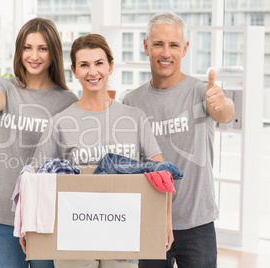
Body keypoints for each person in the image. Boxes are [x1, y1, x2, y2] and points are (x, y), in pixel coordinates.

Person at [31, 33, 173, 268]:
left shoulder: (134, 118)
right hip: (73, 235)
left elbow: (163, 176)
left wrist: (166, 219)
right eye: (84, 65)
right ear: (74, 70)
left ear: (110, 66)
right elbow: (37, 181)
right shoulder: (60, 122)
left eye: (99, 63)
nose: (92, 72)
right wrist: (31, 228)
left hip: (123, 231)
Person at [123, 11, 235, 268]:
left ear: (184, 49)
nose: (166, 53)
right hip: (150, 221)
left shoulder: (201, 92)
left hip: (197, 223)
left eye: (173, 45)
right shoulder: (132, 102)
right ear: (145, 47)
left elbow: (225, 113)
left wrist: (222, 103)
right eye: (158, 44)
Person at [0, 18, 79, 267]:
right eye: (27, 47)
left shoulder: (68, 101)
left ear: (53, 52)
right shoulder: (5, 87)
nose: (34, 55)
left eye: (42, 48)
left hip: (46, 214)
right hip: (2, 213)